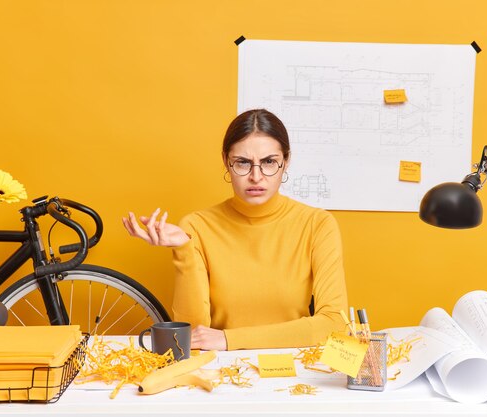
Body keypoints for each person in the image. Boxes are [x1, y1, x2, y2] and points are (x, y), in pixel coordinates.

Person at [123, 109, 348, 351]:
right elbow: (194, 334)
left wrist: (229, 339)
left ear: (286, 161)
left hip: (294, 367)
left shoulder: (317, 224)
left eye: (269, 162)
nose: (256, 176)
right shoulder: (196, 227)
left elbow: (334, 323)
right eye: (242, 162)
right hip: (223, 367)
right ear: (226, 161)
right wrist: (184, 250)